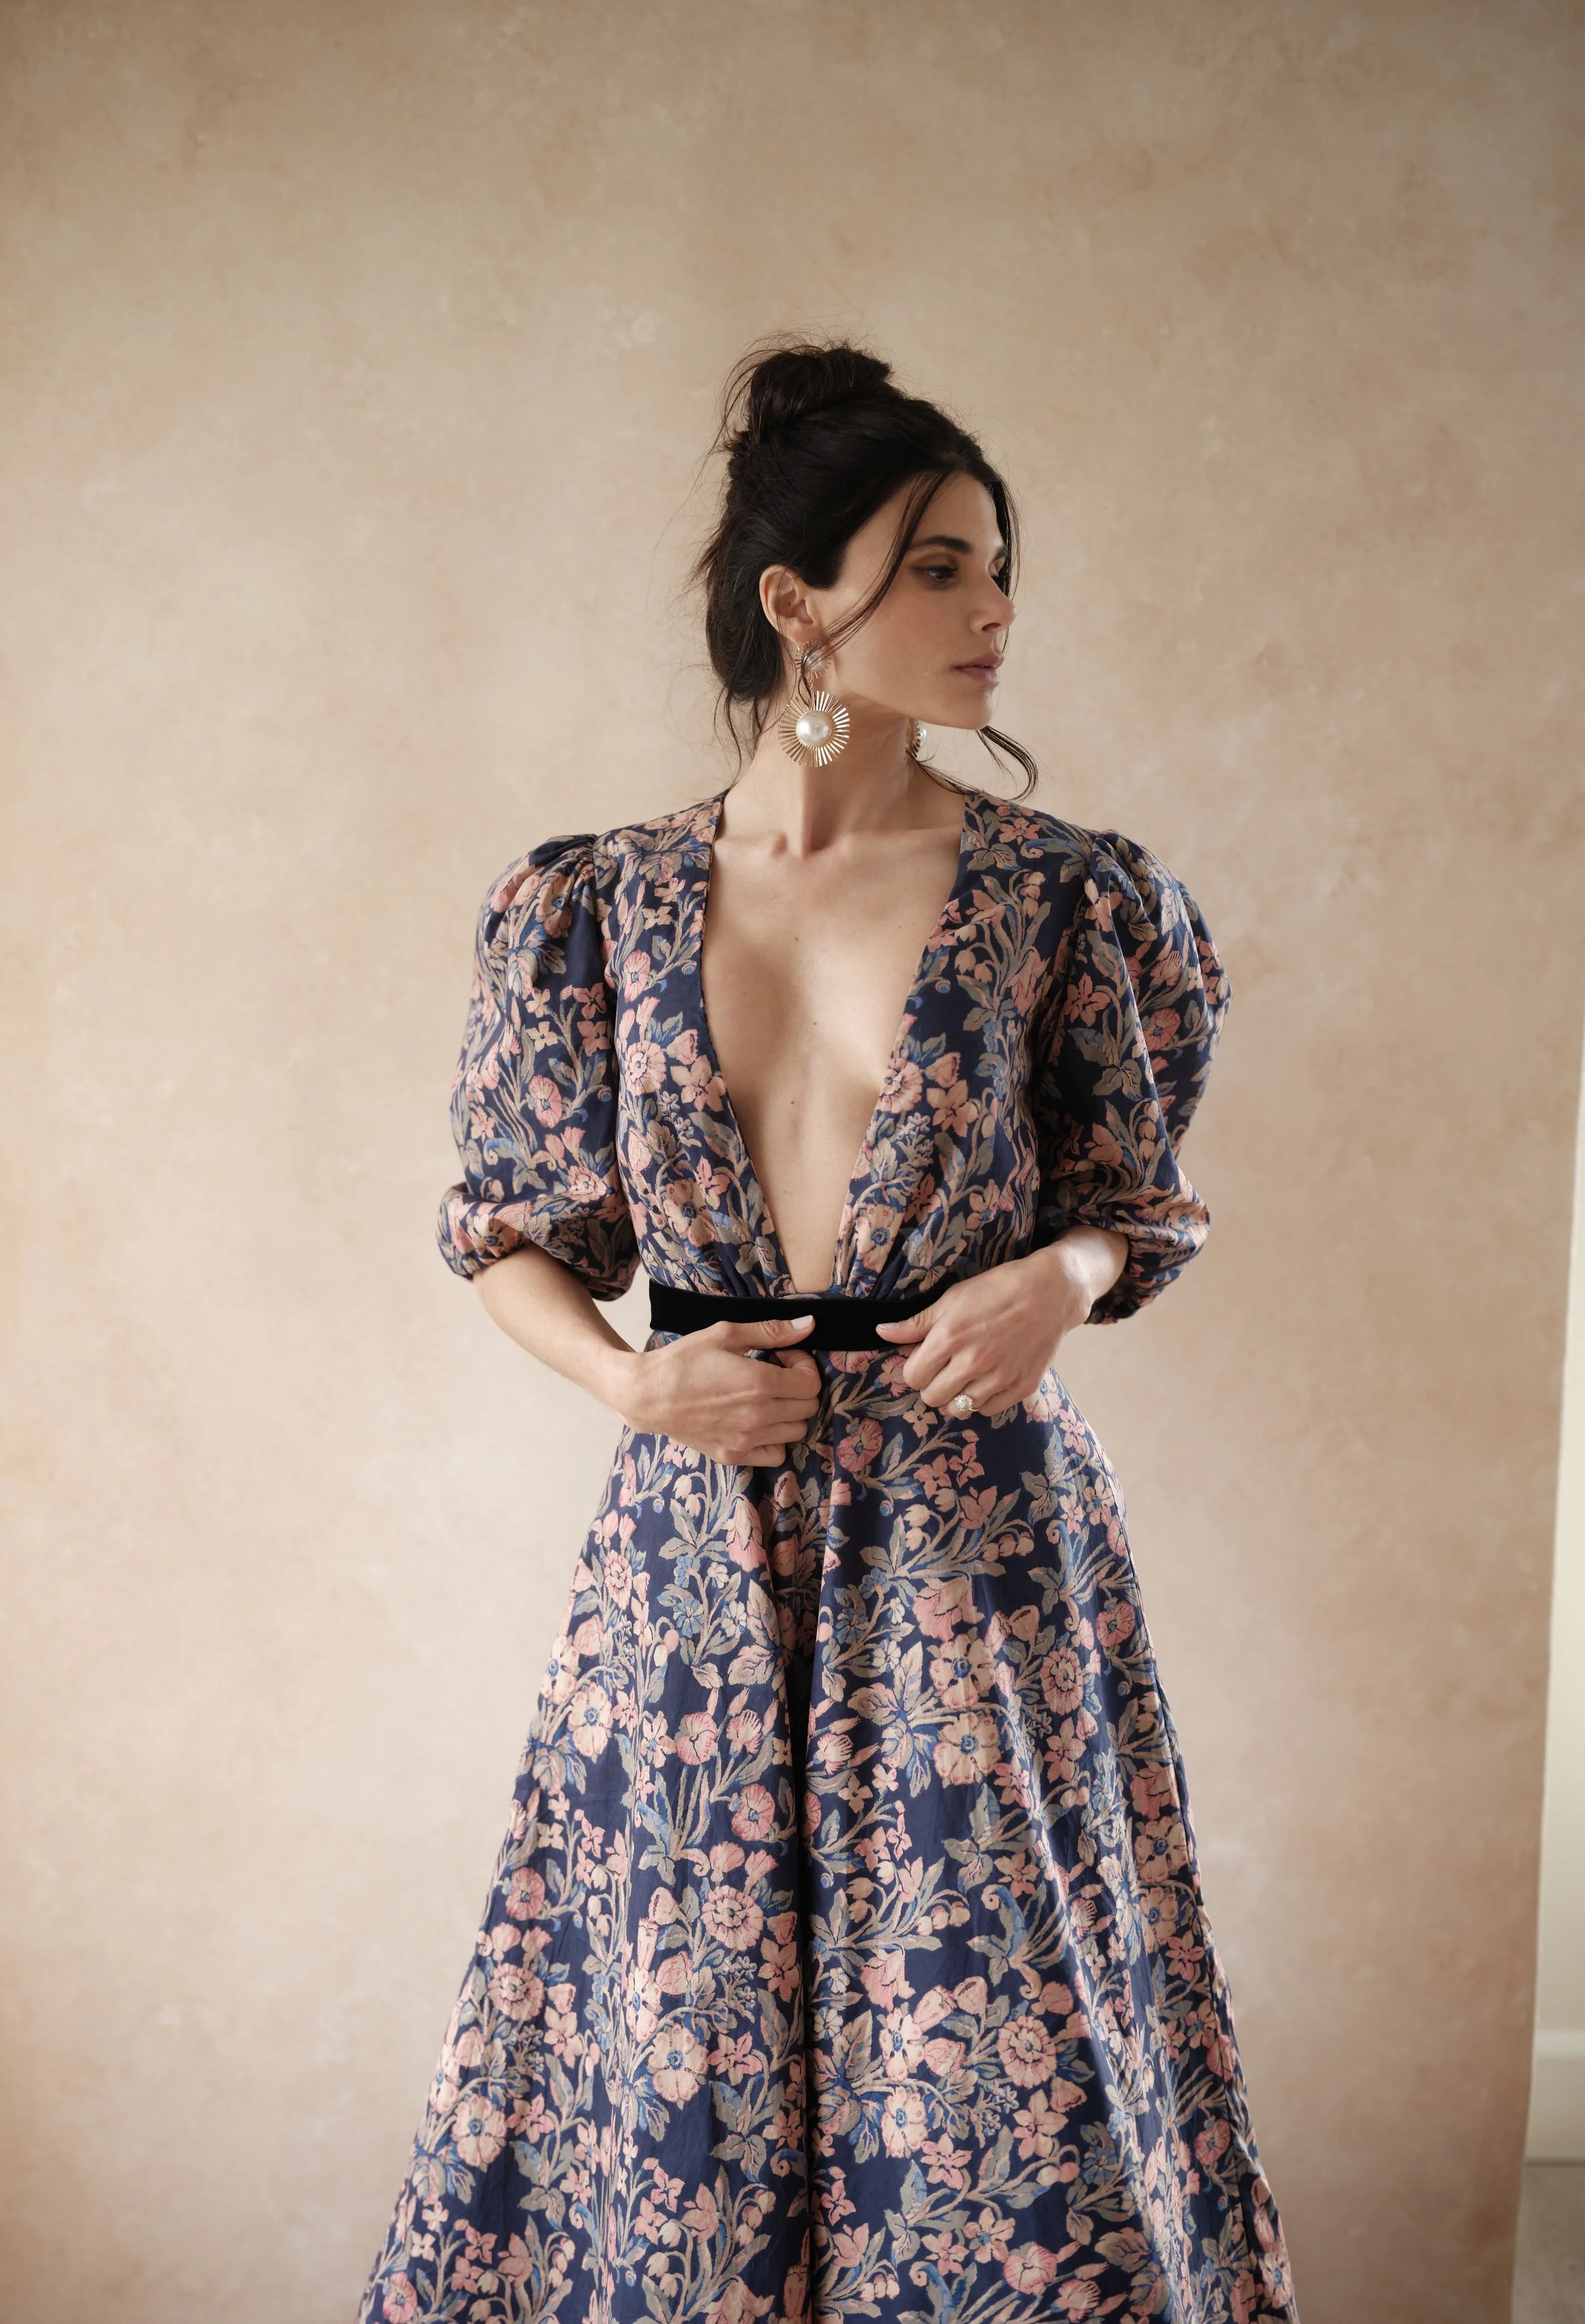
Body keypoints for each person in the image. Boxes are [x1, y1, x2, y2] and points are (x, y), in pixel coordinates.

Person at [356, 341, 1296, 2324]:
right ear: (799, 607)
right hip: (694, 1555)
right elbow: (506, 1232)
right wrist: (630, 1377)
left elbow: (1135, 1200)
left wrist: (1062, 1279)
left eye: (996, 568)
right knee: (663, 2048)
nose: (993, 614)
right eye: (940, 569)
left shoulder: (1069, 902)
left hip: (976, 1545)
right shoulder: (586, 911)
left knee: (999, 2070)